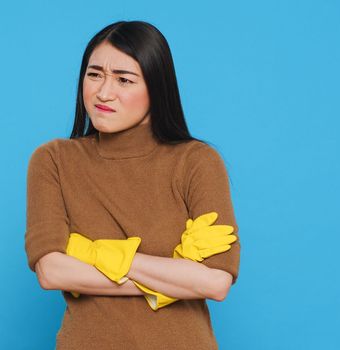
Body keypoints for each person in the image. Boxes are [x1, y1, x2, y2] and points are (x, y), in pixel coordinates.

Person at [24, 20, 241, 349]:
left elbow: (215, 281)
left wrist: (97, 253)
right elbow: (53, 272)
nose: (103, 92)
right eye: (94, 74)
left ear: (157, 87)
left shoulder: (197, 161)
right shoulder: (53, 160)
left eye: (124, 79)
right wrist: (176, 275)